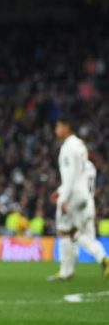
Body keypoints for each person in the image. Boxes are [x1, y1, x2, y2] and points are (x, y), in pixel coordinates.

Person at [48, 117, 109, 281]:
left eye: (58, 126)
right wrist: (60, 190)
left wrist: (63, 198)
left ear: (67, 128)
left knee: (64, 230)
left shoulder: (67, 148)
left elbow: (70, 176)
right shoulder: (81, 147)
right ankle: (103, 259)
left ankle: (66, 271)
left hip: (73, 194)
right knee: (83, 236)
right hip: (87, 199)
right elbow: (78, 174)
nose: (56, 130)